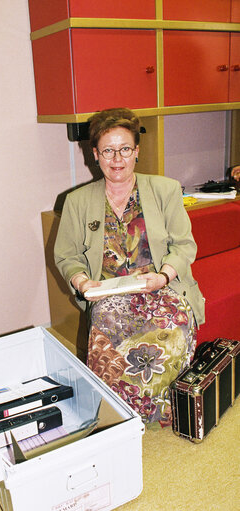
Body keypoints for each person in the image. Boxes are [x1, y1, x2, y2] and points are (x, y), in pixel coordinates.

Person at [54, 107, 205, 427]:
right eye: (108, 150)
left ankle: (157, 408)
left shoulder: (165, 190)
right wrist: (82, 283)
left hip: (162, 285)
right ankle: (116, 413)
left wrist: (163, 275)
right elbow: (66, 256)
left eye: (125, 149)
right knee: (107, 322)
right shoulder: (77, 202)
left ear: (137, 151)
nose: (117, 158)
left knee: (171, 324)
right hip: (108, 292)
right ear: (95, 154)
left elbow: (184, 245)